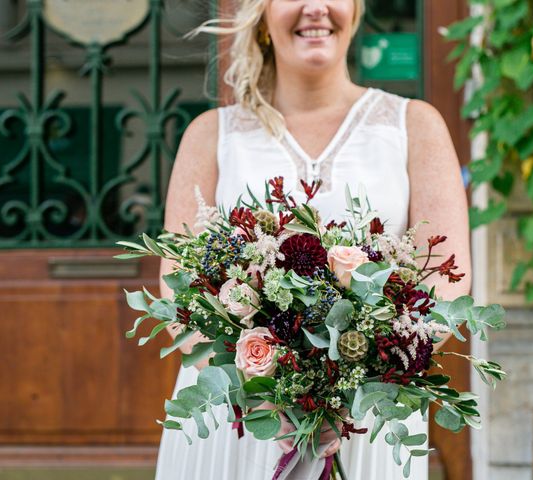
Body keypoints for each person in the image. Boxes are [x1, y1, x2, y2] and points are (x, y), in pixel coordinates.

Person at [156, 0, 471, 478]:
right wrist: (270, 396)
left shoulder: (414, 126)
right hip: (233, 419)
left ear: (357, 11)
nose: (316, 7)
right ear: (261, 15)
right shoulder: (209, 136)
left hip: (369, 418)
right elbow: (178, 287)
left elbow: (448, 284)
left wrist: (345, 389)